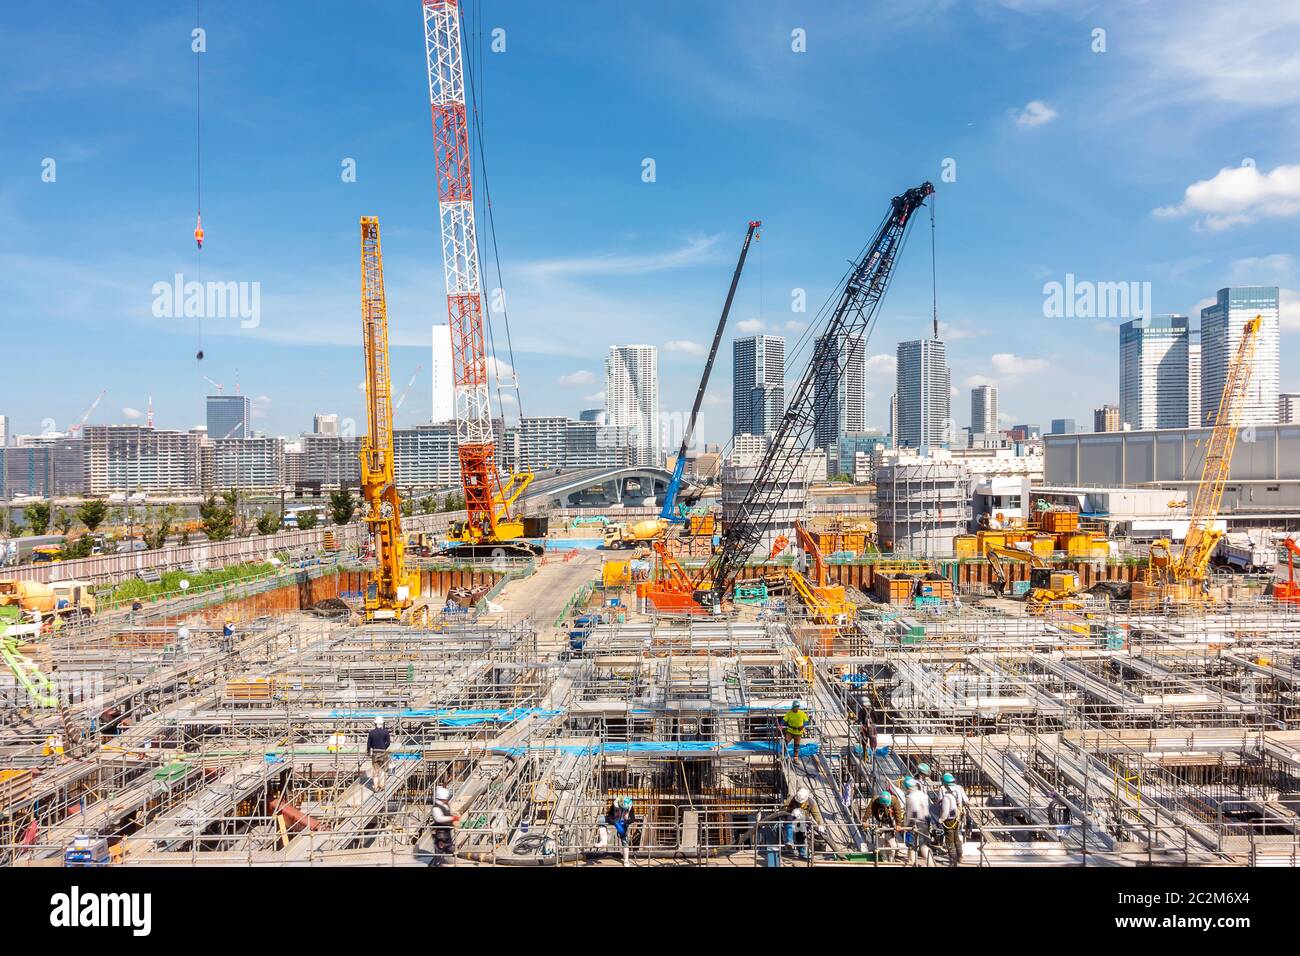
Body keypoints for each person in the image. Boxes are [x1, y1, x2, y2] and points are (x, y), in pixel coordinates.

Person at [782, 787, 826, 860]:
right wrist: (792, 811)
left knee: (800, 834)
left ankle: (802, 853)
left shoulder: (811, 802)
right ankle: (789, 841)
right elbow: (783, 808)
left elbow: (816, 814)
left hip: (802, 820)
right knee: (789, 825)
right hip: (791, 817)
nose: (800, 803)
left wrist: (820, 824)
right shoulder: (792, 799)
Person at [937, 773, 969, 866]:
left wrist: (940, 820)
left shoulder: (942, 789)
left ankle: (953, 861)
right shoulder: (959, 788)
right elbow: (966, 800)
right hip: (958, 817)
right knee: (956, 837)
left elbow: (940, 802)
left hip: (948, 819)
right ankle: (960, 856)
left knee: (949, 840)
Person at [903, 778, 932, 866]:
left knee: (911, 844)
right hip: (925, 821)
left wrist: (905, 825)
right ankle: (931, 863)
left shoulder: (910, 797)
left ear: (908, 787)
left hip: (913, 822)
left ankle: (912, 862)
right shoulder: (922, 794)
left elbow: (909, 813)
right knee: (923, 845)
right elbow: (926, 809)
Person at [601, 796, 638, 866]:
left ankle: (626, 860)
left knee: (625, 840)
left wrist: (626, 822)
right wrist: (615, 823)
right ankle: (604, 840)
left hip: (624, 822)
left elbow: (633, 818)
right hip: (615, 821)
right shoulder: (614, 805)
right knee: (601, 820)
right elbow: (609, 817)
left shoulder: (630, 806)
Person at [868, 790, 904, 861]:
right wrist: (864, 820)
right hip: (880, 823)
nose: (885, 806)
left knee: (892, 844)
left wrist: (898, 824)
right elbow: (869, 809)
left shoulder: (894, 800)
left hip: (890, 824)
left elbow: (898, 812)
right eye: (883, 805)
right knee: (881, 844)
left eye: (886, 805)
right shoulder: (875, 800)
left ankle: (891, 860)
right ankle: (884, 861)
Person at [429, 786, 459, 865]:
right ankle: (438, 863)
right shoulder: (436, 808)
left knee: (449, 847)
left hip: (447, 831)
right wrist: (452, 818)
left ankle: (445, 862)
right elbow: (439, 819)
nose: (447, 800)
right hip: (440, 833)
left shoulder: (445, 805)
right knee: (440, 849)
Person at [366, 715, 391, 790]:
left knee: (375, 770)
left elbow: (368, 744)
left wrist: (368, 752)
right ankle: (382, 785)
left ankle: (376, 786)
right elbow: (389, 742)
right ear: (382, 723)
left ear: (375, 723)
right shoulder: (385, 732)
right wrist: (384, 747)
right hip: (383, 752)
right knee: (383, 769)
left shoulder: (371, 733)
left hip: (375, 752)